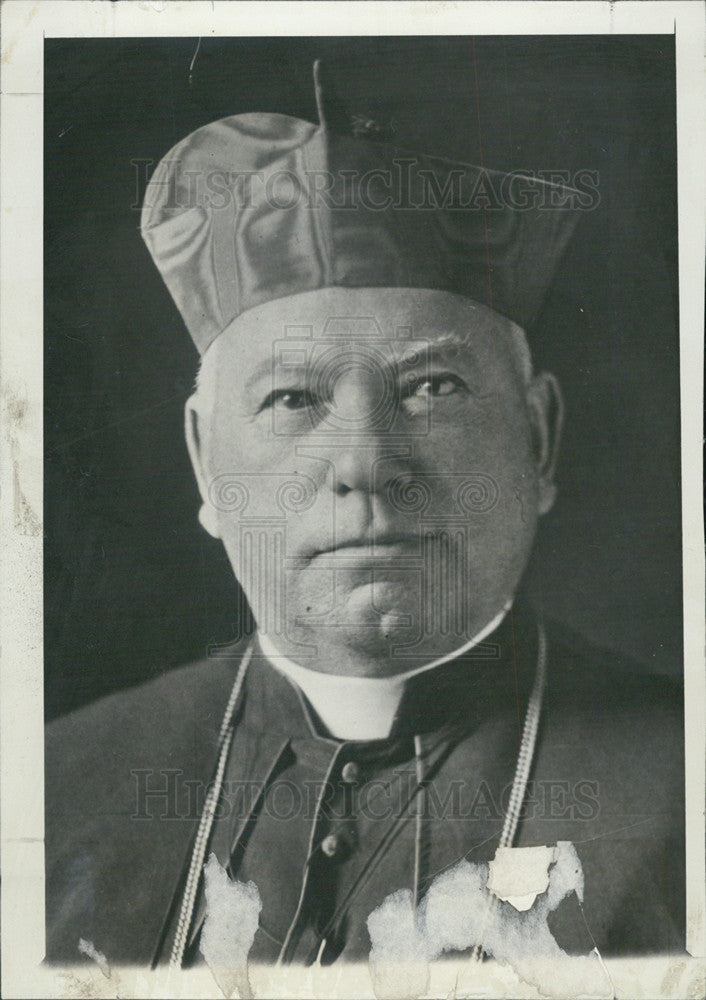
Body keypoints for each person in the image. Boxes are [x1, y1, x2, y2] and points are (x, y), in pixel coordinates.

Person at [45, 71, 685, 968]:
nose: (363, 463)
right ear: (204, 460)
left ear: (538, 438)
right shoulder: (51, 790)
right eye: (293, 397)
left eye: (432, 387)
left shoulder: (683, 796)